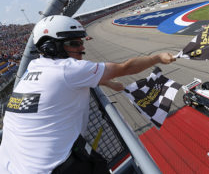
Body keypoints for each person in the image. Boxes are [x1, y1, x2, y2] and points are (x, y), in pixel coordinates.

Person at [0, 15, 175, 174]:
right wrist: (158, 57)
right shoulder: (68, 69)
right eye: (75, 43)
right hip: (53, 168)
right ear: (52, 46)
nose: (82, 46)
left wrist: (108, 82)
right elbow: (126, 68)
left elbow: (62, 84)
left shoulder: (33, 69)